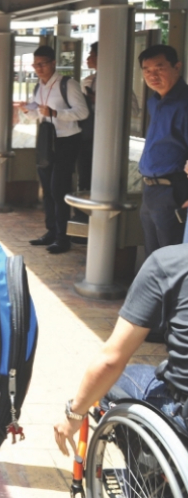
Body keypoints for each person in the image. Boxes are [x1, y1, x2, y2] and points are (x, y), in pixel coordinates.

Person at [53, 243, 188, 458]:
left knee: (113, 382)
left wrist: (74, 414)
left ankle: (141, 477)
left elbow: (111, 360)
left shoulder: (169, 263)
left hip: (183, 410)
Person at [20, 45, 89, 254]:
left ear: (52, 63)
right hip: (46, 140)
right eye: (35, 64)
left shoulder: (68, 84)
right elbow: (38, 114)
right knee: (47, 189)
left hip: (66, 141)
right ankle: (51, 232)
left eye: (42, 64)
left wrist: (55, 112)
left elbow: (83, 112)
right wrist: (28, 110)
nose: (38, 68)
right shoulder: (38, 86)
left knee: (59, 189)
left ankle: (63, 237)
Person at [136, 44, 188, 258]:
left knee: (170, 260)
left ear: (177, 67)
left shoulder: (185, 104)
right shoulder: (154, 101)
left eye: (159, 68)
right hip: (151, 190)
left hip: (173, 191)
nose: (152, 75)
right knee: (153, 257)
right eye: (147, 70)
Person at [71, 43, 98, 228]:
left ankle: (91, 220)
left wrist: (99, 100)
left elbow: (134, 109)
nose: (88, 58)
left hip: (102, 141)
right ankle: (82, 219)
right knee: (84, 178)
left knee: (96, 180)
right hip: (85, 136)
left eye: (92, 54)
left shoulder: (117, 80)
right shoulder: (88, 80)